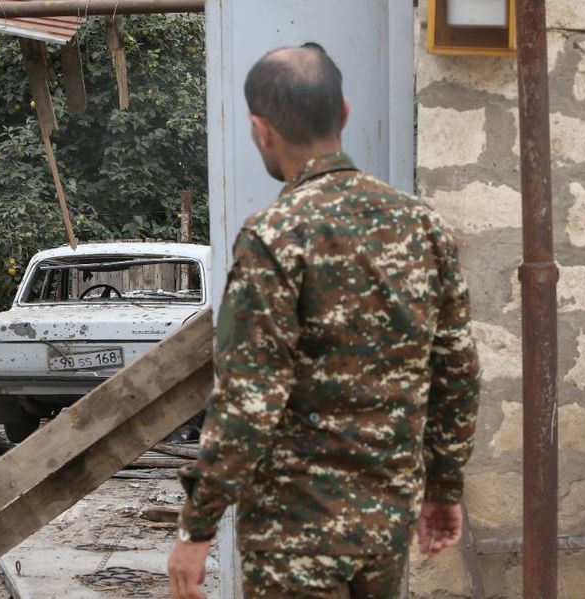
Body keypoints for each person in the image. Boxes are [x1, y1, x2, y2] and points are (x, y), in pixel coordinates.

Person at [168, 43, 481, 599]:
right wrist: (443, 484)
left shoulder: (275, 236)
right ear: (344, 114)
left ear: (262, 130)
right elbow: (457, 369)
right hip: (385, 527)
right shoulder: (421, 226)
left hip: (294, 536)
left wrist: (198, 527)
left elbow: (248, 398)